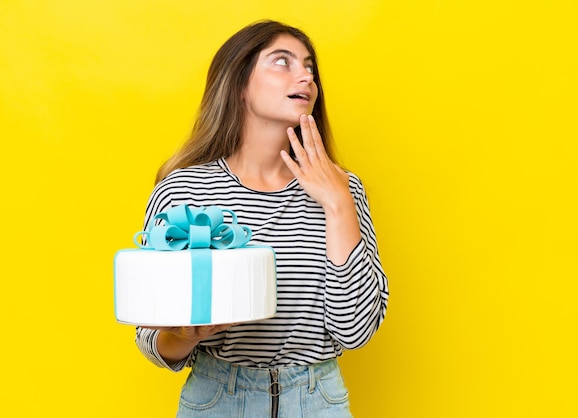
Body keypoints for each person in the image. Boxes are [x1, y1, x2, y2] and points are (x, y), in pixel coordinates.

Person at [135, 19, 389, 417]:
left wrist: (338, 203)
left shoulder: (343, 189)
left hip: (318, 400)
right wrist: (184, 335)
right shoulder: (184, 190)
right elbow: (153, 338)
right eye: (282, 62)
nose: (305, 76)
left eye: (309, 67)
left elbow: (355, 330)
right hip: (217, 399)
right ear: (239, 85)